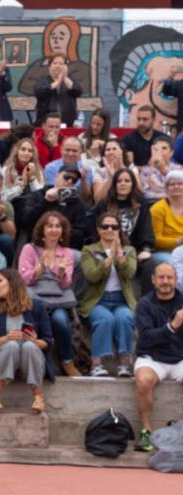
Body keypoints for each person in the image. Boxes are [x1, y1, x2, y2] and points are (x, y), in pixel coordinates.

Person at [0, 269, 54, 414]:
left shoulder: (37, 307)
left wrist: (35, 340)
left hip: (30, 360)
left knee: (29, 346)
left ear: (13, 284)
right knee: (11, 345)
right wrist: (5, 338)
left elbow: (48, 342)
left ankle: (38, 398)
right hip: (3, 359)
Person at [18, 212, 78, 376]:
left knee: (60, 320)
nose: (54, 229)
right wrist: (40, 269)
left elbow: (65, 285)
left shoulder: (67, 253)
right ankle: (36, 362)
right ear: (42, 229)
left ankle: (67, 361)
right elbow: (24, 279)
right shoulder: (29, 249)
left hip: (58, 300)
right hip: (35, 300)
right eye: (49, 226)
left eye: (58, 226)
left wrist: (62, 273)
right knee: (36, 320)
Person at [79, 213, 138, 377]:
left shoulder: (129, 250)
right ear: (99, 230)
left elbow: (130, 273)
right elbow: (92, 275)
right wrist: (109, 257)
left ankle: (124, 363)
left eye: (114, 227)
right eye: (105, 226)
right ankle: (96, 364)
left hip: (122, 300)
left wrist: (119, 256)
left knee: (125, 318)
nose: (110, 230)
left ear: (119, 230)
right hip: (98, 301)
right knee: (105, 319)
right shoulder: (89, 250)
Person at [132, 263, 183, 452]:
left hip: (180, 359)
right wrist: (173, 326)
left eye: (170, 278)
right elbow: (147, 337)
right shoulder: (144, 304)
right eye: (161, 277)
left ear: (176, 280)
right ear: (153, 280)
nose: (165, 282)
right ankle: (146, 431)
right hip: (152, 357)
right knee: (144, 380)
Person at [22, 162, 89, 250]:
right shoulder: (39, 195)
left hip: (66, 249)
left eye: (74, 180)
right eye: (67, 177)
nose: (69, 181)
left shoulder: (77, 202)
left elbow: (81, 232)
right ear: (57, 176)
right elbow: (25, 221)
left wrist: (58, 232)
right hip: (39, 245)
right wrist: (46, 201)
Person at [92, 168, 155, 262]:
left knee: (150, 264)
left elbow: (146, 228)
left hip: (135, 250)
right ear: (114, 185)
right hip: (107, 250)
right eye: (119, 181)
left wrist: (146, 249)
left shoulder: (141, 203)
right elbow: (95, 230)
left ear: (133, 184)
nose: (123, 183)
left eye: (127, 181)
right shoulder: (103, 204)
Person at [0, 137, 44, 219]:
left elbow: (41, 197)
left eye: (30, 151)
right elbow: (4, 198)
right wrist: (21, 185)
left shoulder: (38, 171)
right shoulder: (6, 170)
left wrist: (32, 179)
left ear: (33, 154)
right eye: (23, 149)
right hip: (12, 209)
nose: (26, 153)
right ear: (17, 151)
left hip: (32, 210)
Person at [34, 53, 83, 126]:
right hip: (46, 123)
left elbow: (78, 91)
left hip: (67, 122)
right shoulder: (43, 82)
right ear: (49, 67)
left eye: (61, 63)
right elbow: (39, 92)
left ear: (65, 67)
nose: (58, 66)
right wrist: (57, 83)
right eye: (55, 63)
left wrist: (65, 78)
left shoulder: (70, 81)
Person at [150, 170, 183, 264]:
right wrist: (179, 241)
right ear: (167, 188)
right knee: (176, 263)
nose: (176, 186)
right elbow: (155, 240)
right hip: (164, 252)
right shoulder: (158, 208)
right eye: (172, 184)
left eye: (180, 184)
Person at [139, 136, 182, 204]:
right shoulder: (146, 171)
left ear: (171, 152)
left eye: (164, 148)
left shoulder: (179, 169)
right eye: (156, 149)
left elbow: (179, 190)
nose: (160, 152)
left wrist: (163, 170)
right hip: (152, 204)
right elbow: (146, 193)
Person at [94, 138, 137, 204]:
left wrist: (122, 166)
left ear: (122, 151)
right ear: (104, 154)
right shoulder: (99, 171)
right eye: (108, 150)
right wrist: (111, 177)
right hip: (108, 206)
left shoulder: (131, 167)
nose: (111, 152)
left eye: (114, 149)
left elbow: (141, 190)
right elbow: (98, 200)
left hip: (130, 203)